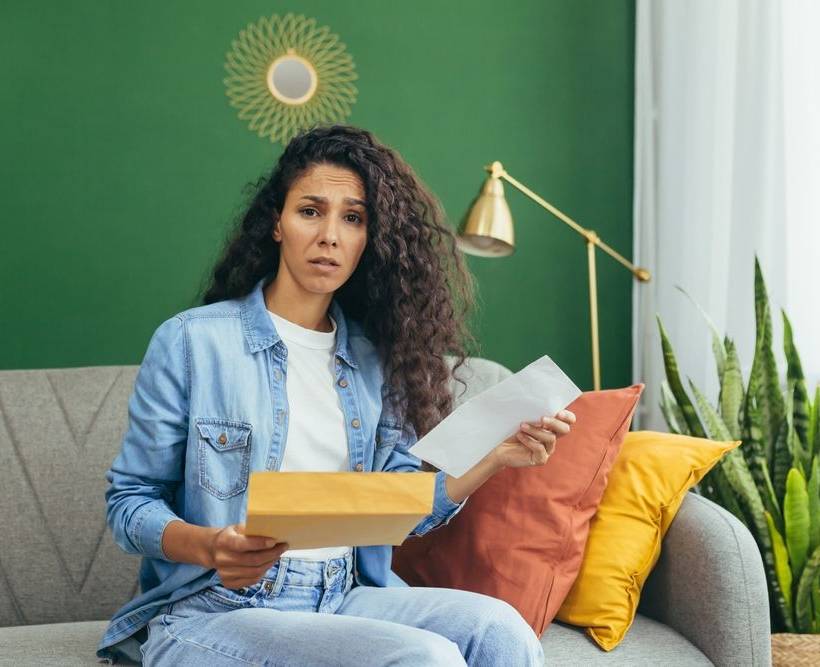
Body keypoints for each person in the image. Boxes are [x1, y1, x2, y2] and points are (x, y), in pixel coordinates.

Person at [97, 124, 576, 665]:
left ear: (369, 239)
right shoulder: (193, 341)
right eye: (310, 211)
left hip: (342, 594)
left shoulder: (377, 358)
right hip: (215, 608)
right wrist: (211, 546)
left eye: (352, 218)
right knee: (426, 658)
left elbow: (401, 509)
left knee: (501, 629)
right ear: (276, 223)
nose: (330, 235)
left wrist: (496, 457)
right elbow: (129, 503)